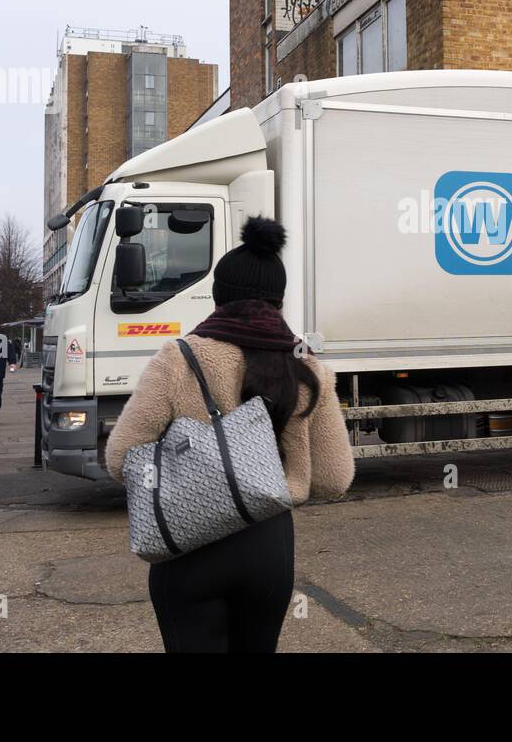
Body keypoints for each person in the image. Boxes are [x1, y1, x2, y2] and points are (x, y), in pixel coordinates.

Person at [106, 216, 354, 653]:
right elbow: (334, 479)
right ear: (278, 300)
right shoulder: (308, 367)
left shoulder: (178, 358)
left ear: (219, 295)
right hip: (269, 548)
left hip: (189, 545)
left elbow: (121, 457)